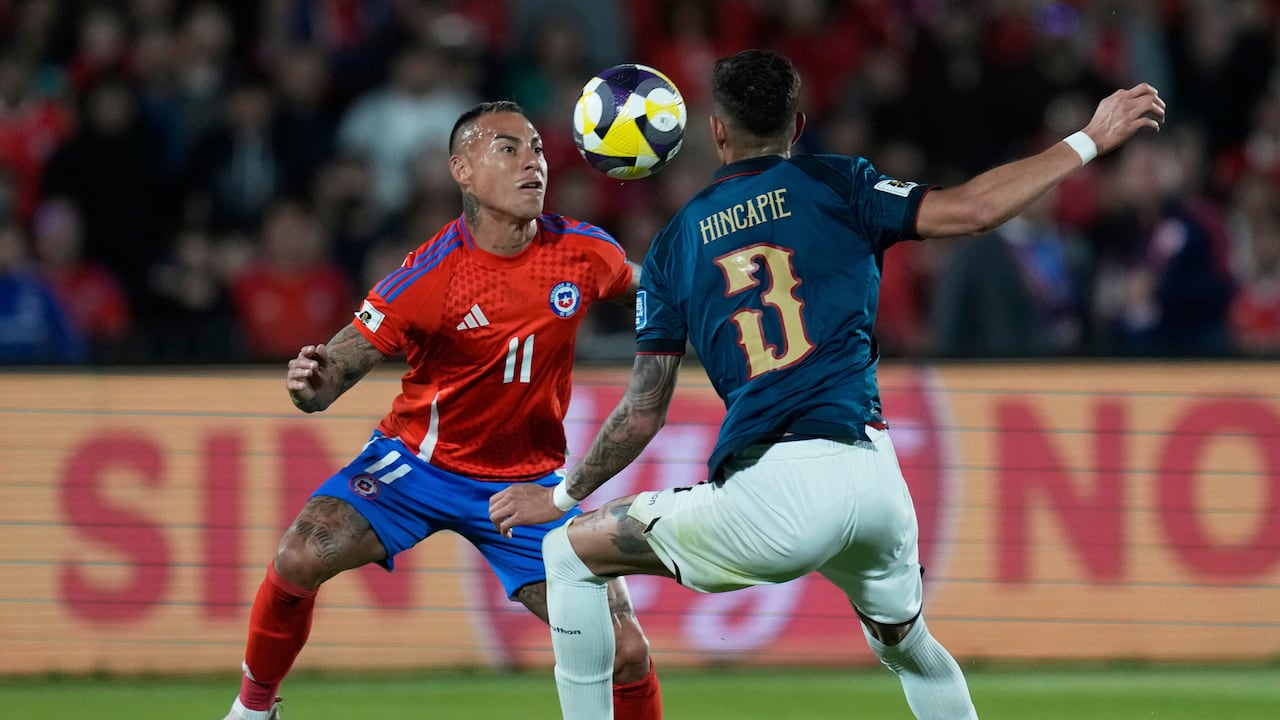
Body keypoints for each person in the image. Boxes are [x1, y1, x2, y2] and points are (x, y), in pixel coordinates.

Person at [489, 49, 1165, 719]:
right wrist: (1090, 137)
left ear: (717, 132)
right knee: (909, 646)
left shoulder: (674, 246)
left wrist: (564, 494)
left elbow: (643, 412)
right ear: (799, 124)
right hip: (874, 481)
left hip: (776, 493)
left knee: (565, 552)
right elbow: (975, 210)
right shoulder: (840, 184)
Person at [220, 101, 661, 720]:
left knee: (627, 651)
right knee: (299, 555)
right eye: (507, 148)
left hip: (526, 487)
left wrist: (710, 291)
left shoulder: (583, 253)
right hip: (418, 469)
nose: (532, 161)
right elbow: (330, 376)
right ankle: (252, 709)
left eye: (535, 147)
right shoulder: (428, 275)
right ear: (462, 169)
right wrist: (307, 382)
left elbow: (657, 294)